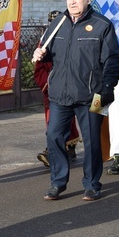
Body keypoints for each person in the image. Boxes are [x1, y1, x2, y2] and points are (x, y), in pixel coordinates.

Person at [32, 0, 119, 201]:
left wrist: (107, 89)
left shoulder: (102, 25)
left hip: (95, 95)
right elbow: (47, 53)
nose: (72, 2)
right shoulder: (57, 24)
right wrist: (40, 54)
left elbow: (112, 61)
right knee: (53, 136)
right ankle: (58, 182)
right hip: (60, 94)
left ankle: (92, 184)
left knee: (93, 141)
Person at [34, 11, 80, 167]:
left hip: (72, 87)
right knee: (53, 121)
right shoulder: (45, 42)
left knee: (69, 120)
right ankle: (52, 152)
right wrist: (49, 83)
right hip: (53, 88)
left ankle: (69, 148)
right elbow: (40, 67)